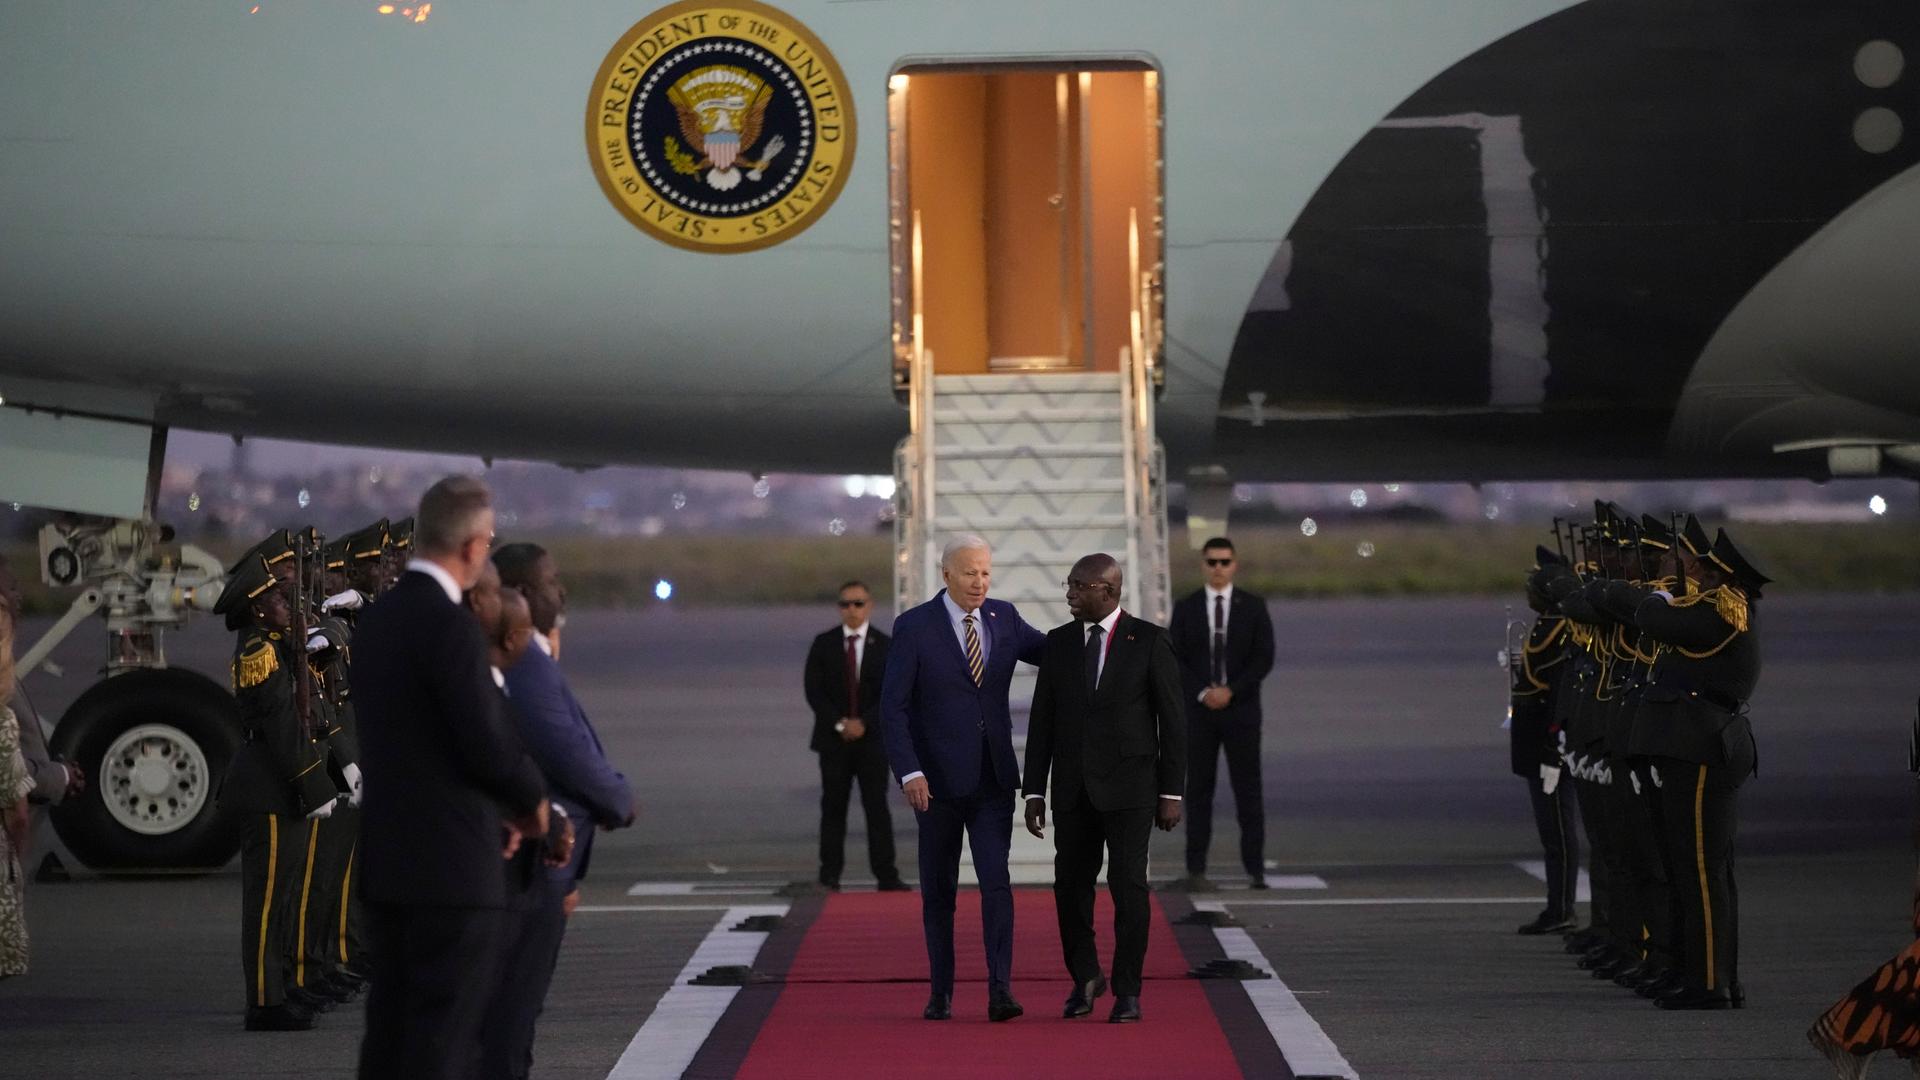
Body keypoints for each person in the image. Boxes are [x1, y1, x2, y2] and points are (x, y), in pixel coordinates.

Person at [350, 477, 550, 1079]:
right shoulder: (450, 625)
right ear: (472, 546)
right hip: (453, 873)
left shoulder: (377, 621)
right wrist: (529, 802)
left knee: (387, 1041)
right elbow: (482, 739)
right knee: (444, 1042)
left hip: (388, 867)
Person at [880, 534, 1046, 1023]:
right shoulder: (914, 627)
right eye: (970, 572)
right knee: (940, 891)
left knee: (997, 884)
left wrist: (1104, 631)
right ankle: (941, 991)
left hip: (992, 779)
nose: (980, 582)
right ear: (947, 574)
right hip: (936, 784)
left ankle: (1000, 990)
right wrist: (909, 770)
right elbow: (893, 707)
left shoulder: (1005, 618)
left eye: (986, 573)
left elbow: (1053, 652)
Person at [488, 544, 635, 1080]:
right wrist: (619, 799)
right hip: (536, 862)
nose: (562, 592)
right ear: (522, 596)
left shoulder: (534, 657)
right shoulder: (524, 664)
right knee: (511, 1017)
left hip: (547, 858)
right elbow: (565, 748)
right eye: (551, 583)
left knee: (514, 1017)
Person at [1022, 554, 1185, 1023]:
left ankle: (1128, 990)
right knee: (1070, 888)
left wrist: (1171, 792)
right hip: (1074, 790)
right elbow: (1043, 722)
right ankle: (1086, 976)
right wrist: (1034, 789)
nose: (1069, 593)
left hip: (1132, 789)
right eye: (1068, 584)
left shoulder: (1149, 641)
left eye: (1078, 586)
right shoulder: (1059, 644)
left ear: (1107, 591)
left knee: (1128, 886)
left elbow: (1173, 722)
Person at [212, 554, 342, 1030]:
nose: (284, 602)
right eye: (273, 598)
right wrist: (314, 782)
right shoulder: (257, 652)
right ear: (257, 610)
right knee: (267, 902)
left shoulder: (280, 646)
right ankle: (265, 1003)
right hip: (268, 786)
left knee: (284, 896)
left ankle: (281, 990)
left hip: (282, 785)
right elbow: (283, 726)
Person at [1167, 537, 1275, 889]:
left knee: (1248, 790)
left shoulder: (1253, 607)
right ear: (1203, 564)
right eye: (1211, 562)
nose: (1217, 568)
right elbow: (1175, 658)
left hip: (1240, 711)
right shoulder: (1186, 607)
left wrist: (1232, 691)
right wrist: (1203, 691)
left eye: (1224, 562)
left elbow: (1263, 658)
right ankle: (1195, 868)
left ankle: (1255, 869)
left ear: (1234, 564)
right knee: (1198, 791)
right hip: (1199, 713)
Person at [803, 580, 906, 891]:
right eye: (846, 604)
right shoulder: (824, 643)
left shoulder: (886, 646)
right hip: (834, 741)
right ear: (839, 608)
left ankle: (886, 875)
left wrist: (864, 723)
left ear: (869, 605)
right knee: (833, 808)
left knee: (877, 807)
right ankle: (830, 875)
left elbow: (892, 692)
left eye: (858, 603)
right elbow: (814, 691)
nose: (852, 610)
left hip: (872, 742)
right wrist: (840, 724)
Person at [1513, 546, 1577, 935]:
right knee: (1549, 829)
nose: (1528, 591)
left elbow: (1557, 692)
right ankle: (1558, 905)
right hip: (1534, 739)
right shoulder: (1546, 625)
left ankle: (1563, 907)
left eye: (1535, 584)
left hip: (1549, 741)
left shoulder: (1559, 629)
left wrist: (1556, 742)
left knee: (1557, 829)